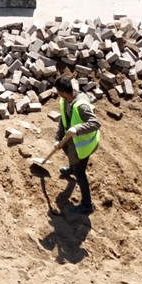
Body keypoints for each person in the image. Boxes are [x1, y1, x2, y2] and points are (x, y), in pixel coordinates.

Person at [54, 76, 101, 214]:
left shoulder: (81, 105)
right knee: (69, 154)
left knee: (80, 172)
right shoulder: (65, 100)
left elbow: (95, 123)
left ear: (63, 91)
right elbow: (63, 120)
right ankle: (71, 168)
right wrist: (58, 139)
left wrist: (77, 129)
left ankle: (87, 205)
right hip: (72, 142)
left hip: (84, 144)